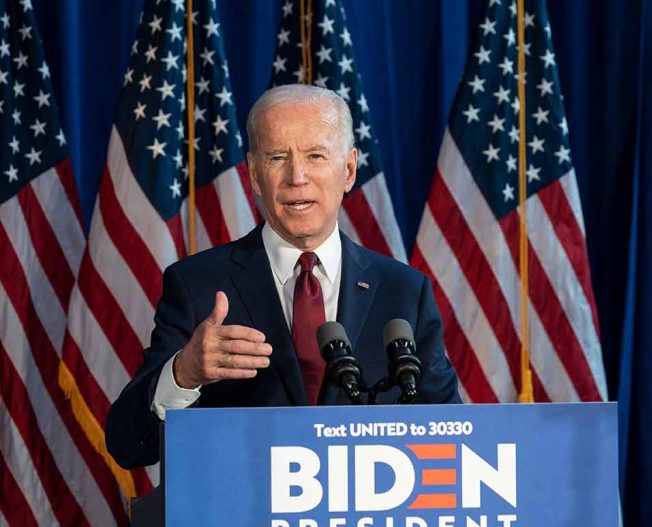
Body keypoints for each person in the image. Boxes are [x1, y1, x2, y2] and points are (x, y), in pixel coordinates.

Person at [105, 84, 460, 469]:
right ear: (255, 175)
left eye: (315, 155)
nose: (297, 176)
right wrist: (184, 373)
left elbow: (453, 438)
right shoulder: (197, 286)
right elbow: (128, 445)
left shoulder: (405, 291)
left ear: (349, 169)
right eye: (277, 157)